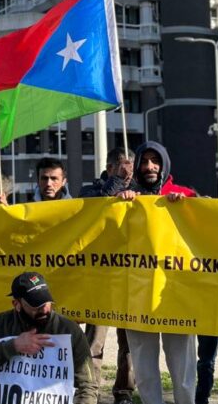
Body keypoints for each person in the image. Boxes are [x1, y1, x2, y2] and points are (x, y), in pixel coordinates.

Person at [113, 141, 197, 404]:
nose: (150, 167)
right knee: (144, 365)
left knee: (183, 366)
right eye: (144, 162)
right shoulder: (125, 199)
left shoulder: (184, 195)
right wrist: (119, 204)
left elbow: (205, 232)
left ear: (164, 164)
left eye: (155, 161)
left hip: (175, 294)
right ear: (137, 166)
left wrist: (187, 208)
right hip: (137, 294)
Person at [0, 272, 97, 404]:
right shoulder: (0, 325)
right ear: (17, 304)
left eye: (46, 302)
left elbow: (87, 386)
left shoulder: (69, 331)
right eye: (36, 305)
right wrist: (14, 346)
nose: (44, 310)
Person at [79, 147, 137, 404]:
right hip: (99, 279)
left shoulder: (137, 193)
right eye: (124, 166)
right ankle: (89, 391)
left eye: (132, 167)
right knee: (95, 342)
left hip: (129, 277)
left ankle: (124, 392)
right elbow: (94, 206)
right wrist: (116, 185)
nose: (129, 172)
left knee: (129, 344)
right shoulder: (89, 190)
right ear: (111, 167)